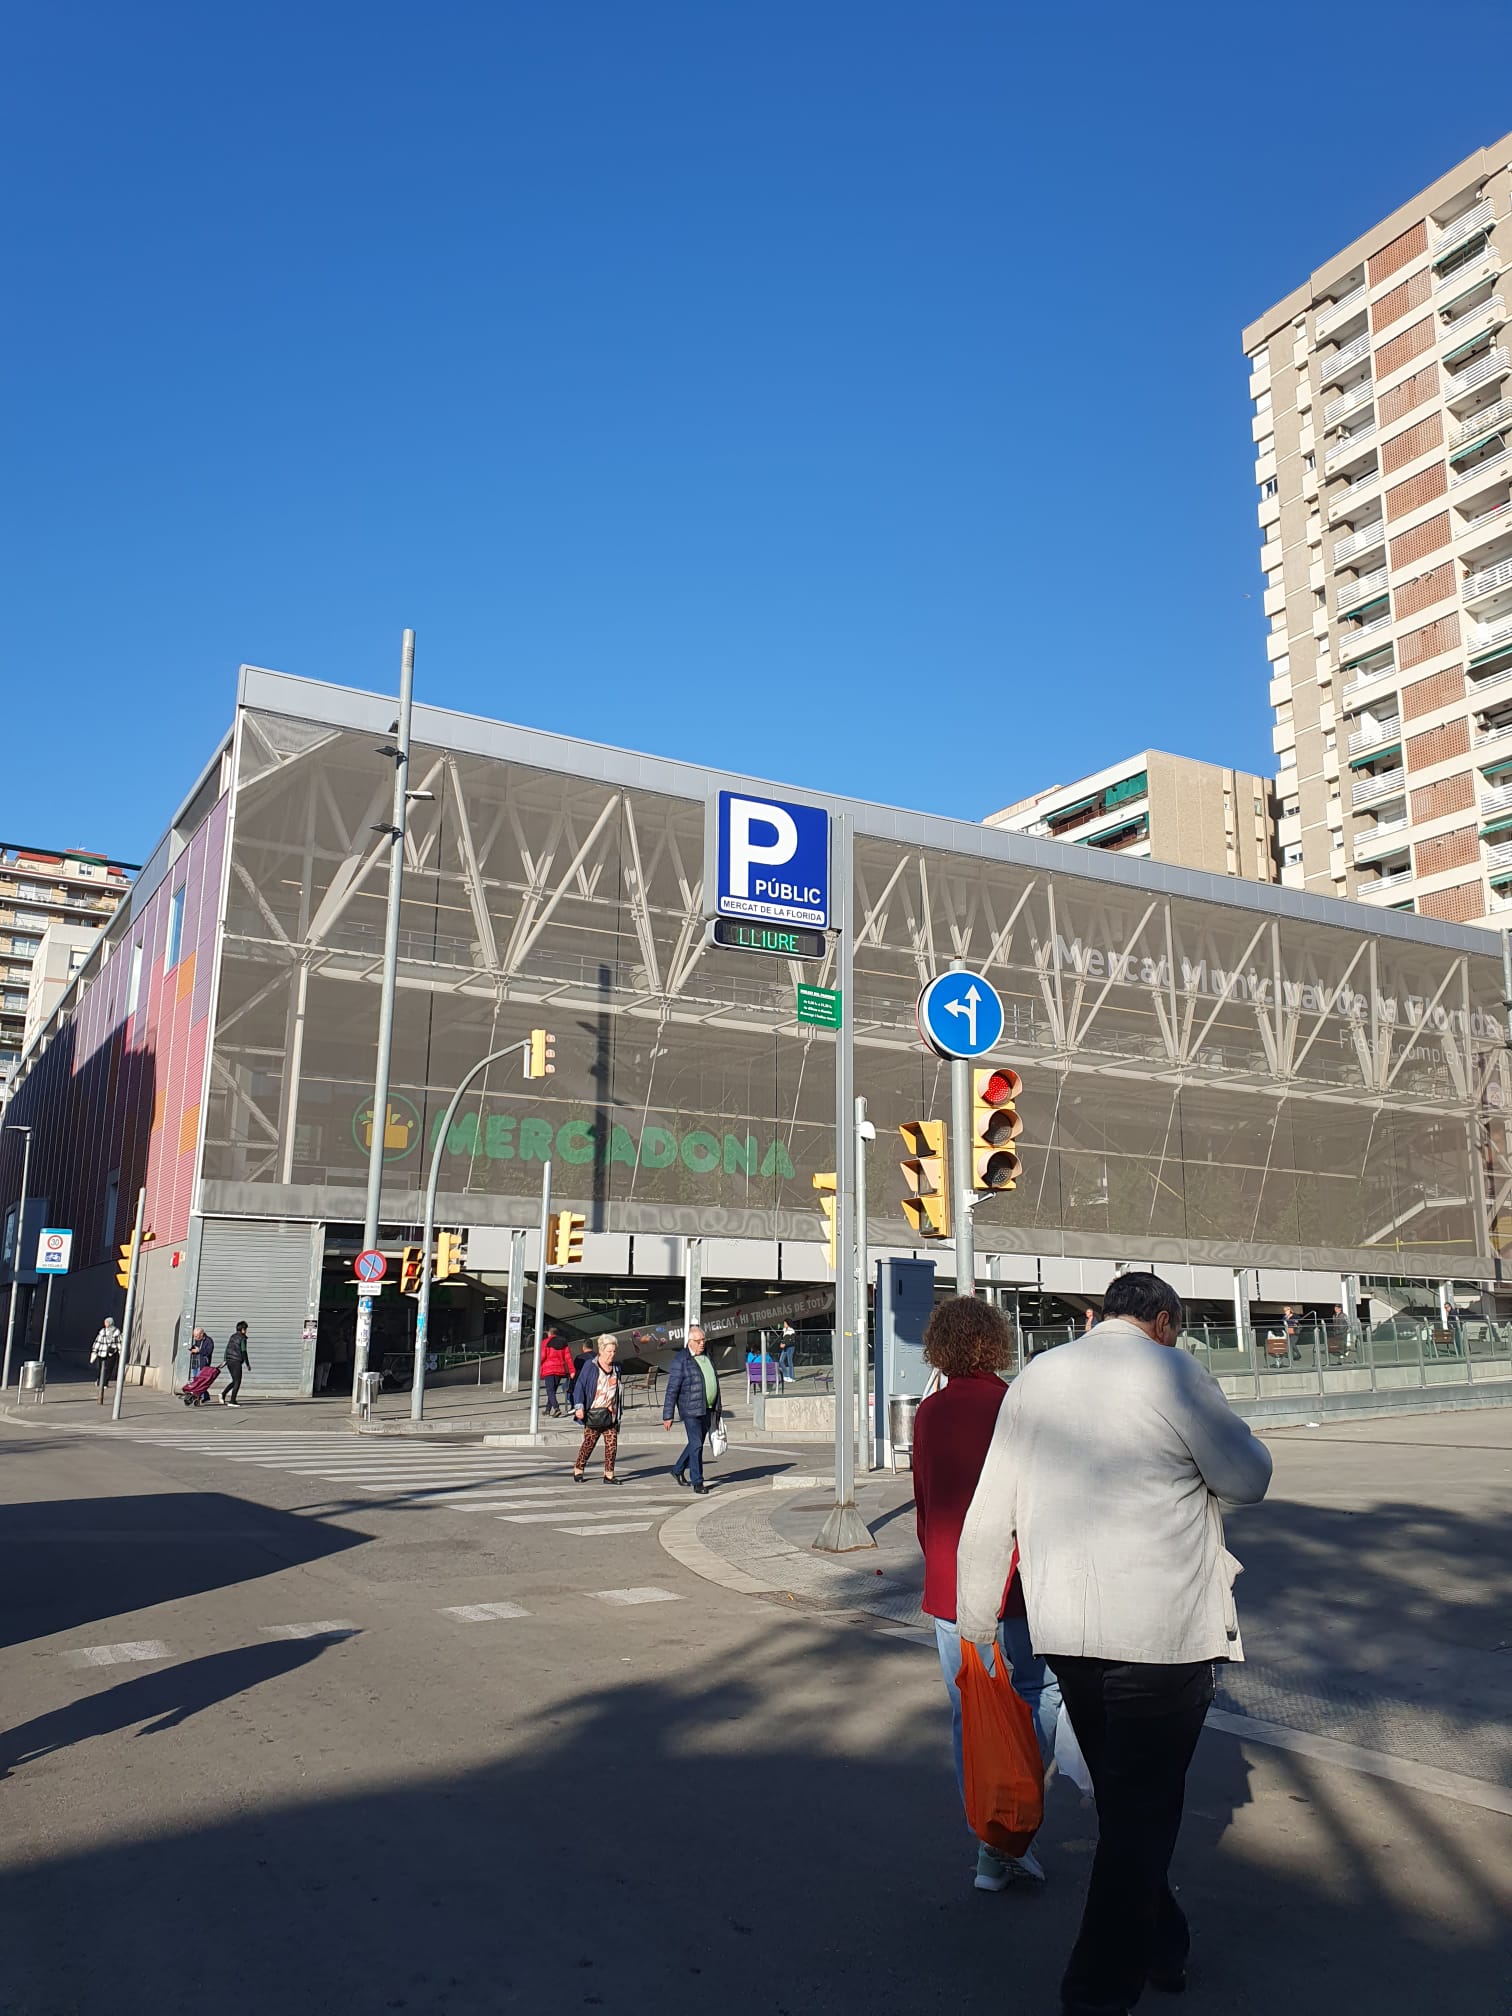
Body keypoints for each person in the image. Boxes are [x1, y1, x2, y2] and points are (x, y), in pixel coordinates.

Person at [957, 1271, 1273, 2016]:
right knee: (1142, 1815)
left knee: (1129, 1808)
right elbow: (1247, 1478)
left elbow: (990, 1509)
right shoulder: (1173, 1372)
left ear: (1102, 1315)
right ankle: (1094, 1994)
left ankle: (1165, 1946)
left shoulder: (1038, 1376)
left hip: (1067, 1630)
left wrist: (977, 1623)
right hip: (1161, 1634)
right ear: (1162, 1321)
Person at [914, 1296, 1055, 1893]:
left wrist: (939, 1562)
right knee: (1038, 1692)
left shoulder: (929, 1413)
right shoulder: (1015, 1405)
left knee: (969, 1710)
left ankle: (989, 1835)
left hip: (952, 1584)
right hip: (1016, 1581)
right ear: (995, 1342)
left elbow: (925, 1503)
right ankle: (1016, 1821)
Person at [662, 1323, 721, 1495]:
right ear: (690, 1341)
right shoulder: (681, 1359)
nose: (702, 1343)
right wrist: (668, 1415)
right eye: (698, 1341)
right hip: (690, 1409)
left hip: (707, 1407)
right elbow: (672, 1388)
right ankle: (698, 1481)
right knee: (696, 1445)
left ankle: (677, 1469)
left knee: (696, 1443)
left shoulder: (707, 1355)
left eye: (704, 1340)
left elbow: (712, 1380)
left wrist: (717, 1405)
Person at [571, 1337, 623, 1483]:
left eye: (614, 1351)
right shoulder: (591, 1365)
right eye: (609, 1351)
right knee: (589, 1443)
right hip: (594, 1412)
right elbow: (580, 1385)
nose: (612, 1354)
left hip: (610, 1413)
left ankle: (609, 1475)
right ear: (601, 1350)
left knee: (612, 1444)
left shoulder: (617, 1368)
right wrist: (579, 1406)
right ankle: (578, 1469)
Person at [539, 1329, 577, 1416]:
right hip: (559, 1369)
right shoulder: (563, 1342)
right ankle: (548, 1409)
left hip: (549, 1369)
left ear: (550, 1334)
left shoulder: (545, 1342)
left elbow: (542, 1356)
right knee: (553, 1390)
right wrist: (572, 1370)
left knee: (550, 1391)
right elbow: (568, 1358)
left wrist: (538, 1365)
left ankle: (556, 1408)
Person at [90, 1317, 122, 1403]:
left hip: (110, 1352)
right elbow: (98, 1341)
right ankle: (100, 1381)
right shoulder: (103, 1331)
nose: (105, 1324)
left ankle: (104, 1382)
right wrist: (94, 1351)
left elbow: (118, 1342)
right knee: (102, 1368)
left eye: (107, 1322)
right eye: (105, 1322)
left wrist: (120, 1352)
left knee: (109, 1368)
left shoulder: (116, 1332)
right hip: (103, 1352)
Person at [220, 1322, 250, 1407]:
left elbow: (227, 1348)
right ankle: (232, 1401)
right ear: (243, 1329)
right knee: (237, 1381)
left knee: (234, 1380)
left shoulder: (232, 1336)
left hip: (229, 1361)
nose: (246, 1331)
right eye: (246, 1329)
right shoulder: (242, 1338)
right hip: (236, 1361)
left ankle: (223, 1394)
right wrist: (247, 1364)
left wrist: (225, 1360)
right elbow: (243, 1351)